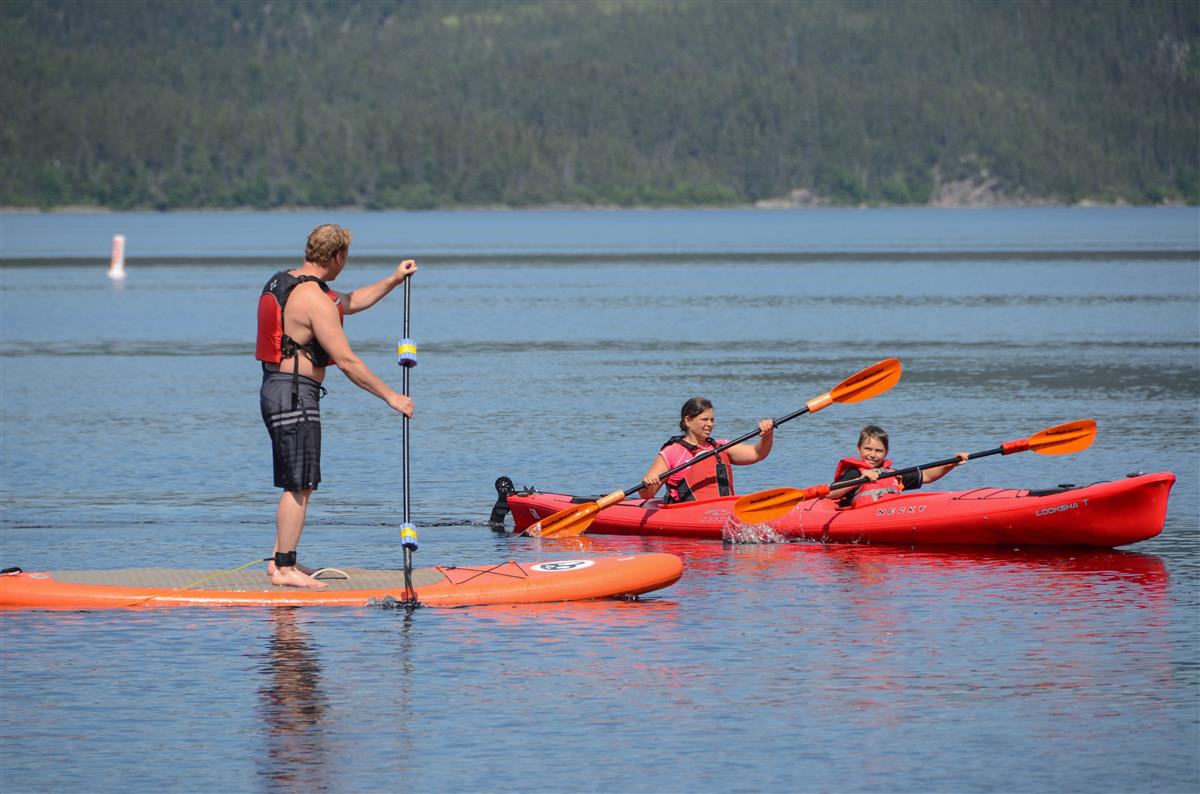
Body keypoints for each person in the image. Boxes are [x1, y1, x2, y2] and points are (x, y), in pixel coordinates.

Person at [256, 223, 416, 588]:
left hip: (279, 390)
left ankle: (279, 560)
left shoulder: (289, 281)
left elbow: (353, 301)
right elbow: (346, 361)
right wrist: (391, 396)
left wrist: (394, 279)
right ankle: (284, 568)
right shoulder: (313, 299)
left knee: (299, 483)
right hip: (294, 393)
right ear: (338, 257)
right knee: (299, 484)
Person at [638, 397, 775, 502]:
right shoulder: (672, 452)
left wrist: (767, 435)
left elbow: (758, 453)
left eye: (712, 420)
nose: (710, 424)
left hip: (723, 510)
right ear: (687, 421)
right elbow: (647, 494)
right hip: (688, 514)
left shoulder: (721, 447)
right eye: (704, 419)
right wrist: (649, 483)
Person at [828, 424, 968, 507]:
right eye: (868, 449)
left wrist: (952, 463)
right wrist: (860, 479)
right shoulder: (855, 473)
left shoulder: (893, 474)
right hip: (860, 517)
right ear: (859, 449)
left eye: (878, 451)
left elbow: (926, 475)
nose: (872, 454)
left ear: (886, 452)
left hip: (889, 514)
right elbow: (830, 494)